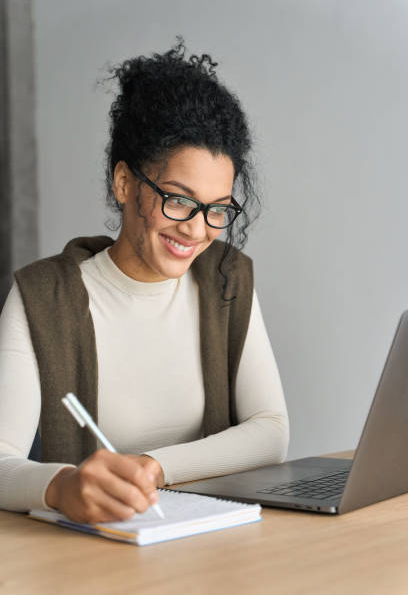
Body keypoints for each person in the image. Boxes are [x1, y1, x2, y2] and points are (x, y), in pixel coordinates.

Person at [0, 40, 289, 524]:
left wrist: (152, 468)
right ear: (124, 183)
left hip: (205, 547)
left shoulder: (226, 279)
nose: (197, 229)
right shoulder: (42, 297)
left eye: (217, 209)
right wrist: (62, 486)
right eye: (178, 200)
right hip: (92, 560)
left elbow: (271, 431)